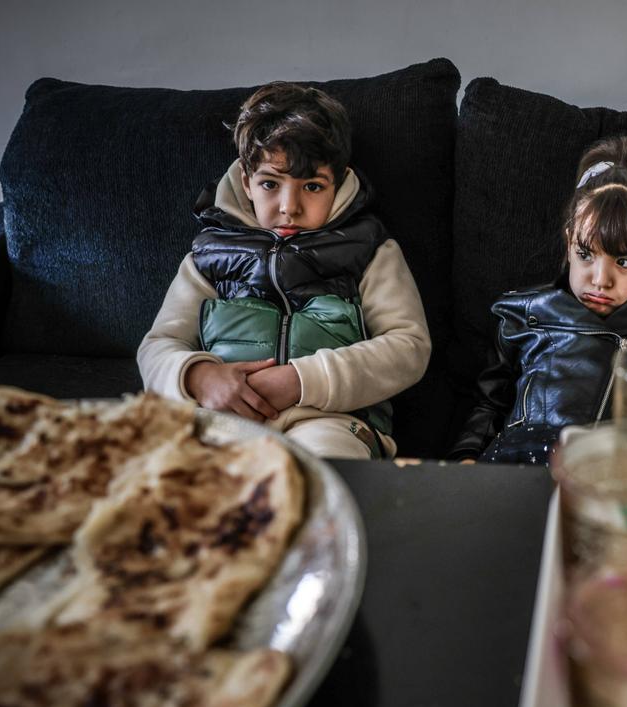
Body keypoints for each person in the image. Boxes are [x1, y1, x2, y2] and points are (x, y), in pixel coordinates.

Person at [138, 82, 431, 459]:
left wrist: (301, 381)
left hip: (330, 420)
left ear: (339, 182)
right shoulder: (209, 255)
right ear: (246, 182)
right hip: (224, 418)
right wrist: (198, 376)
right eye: (270, 184)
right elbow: (157, 345)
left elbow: (409, 347)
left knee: (325, 475)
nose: (289, 207)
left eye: (311, 186)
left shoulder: (371, 249)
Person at [448, 135, 627, 464]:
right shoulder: (523, 313)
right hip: (523, 463)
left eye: (624, 262)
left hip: (623, 470)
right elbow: (490, 405)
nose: (600, 280)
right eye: (585, 254)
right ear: (569, 241)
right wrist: (467, 455)